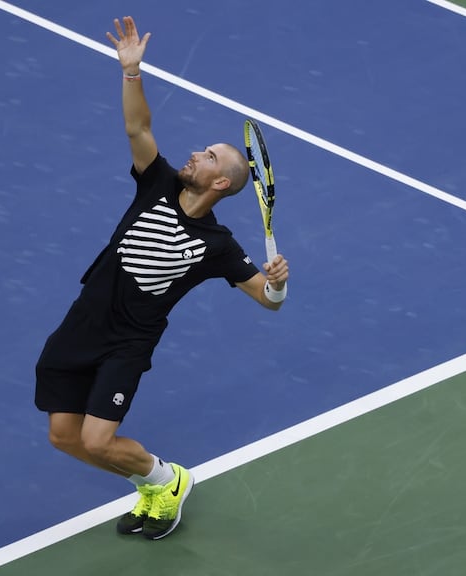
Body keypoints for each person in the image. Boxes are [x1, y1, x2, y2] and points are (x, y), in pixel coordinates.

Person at [34, 15, 289, 541]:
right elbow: (139, 128)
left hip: (127, 342)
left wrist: (278, 281)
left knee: (100, 440)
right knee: (64, 437)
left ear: (221, 181)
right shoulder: (158, 183)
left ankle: (167, 480)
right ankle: (151, 487)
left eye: (210, 156)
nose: (197, 153)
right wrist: (131, 72)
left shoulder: (218, 246)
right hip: (82, 323)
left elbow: (268, 299)